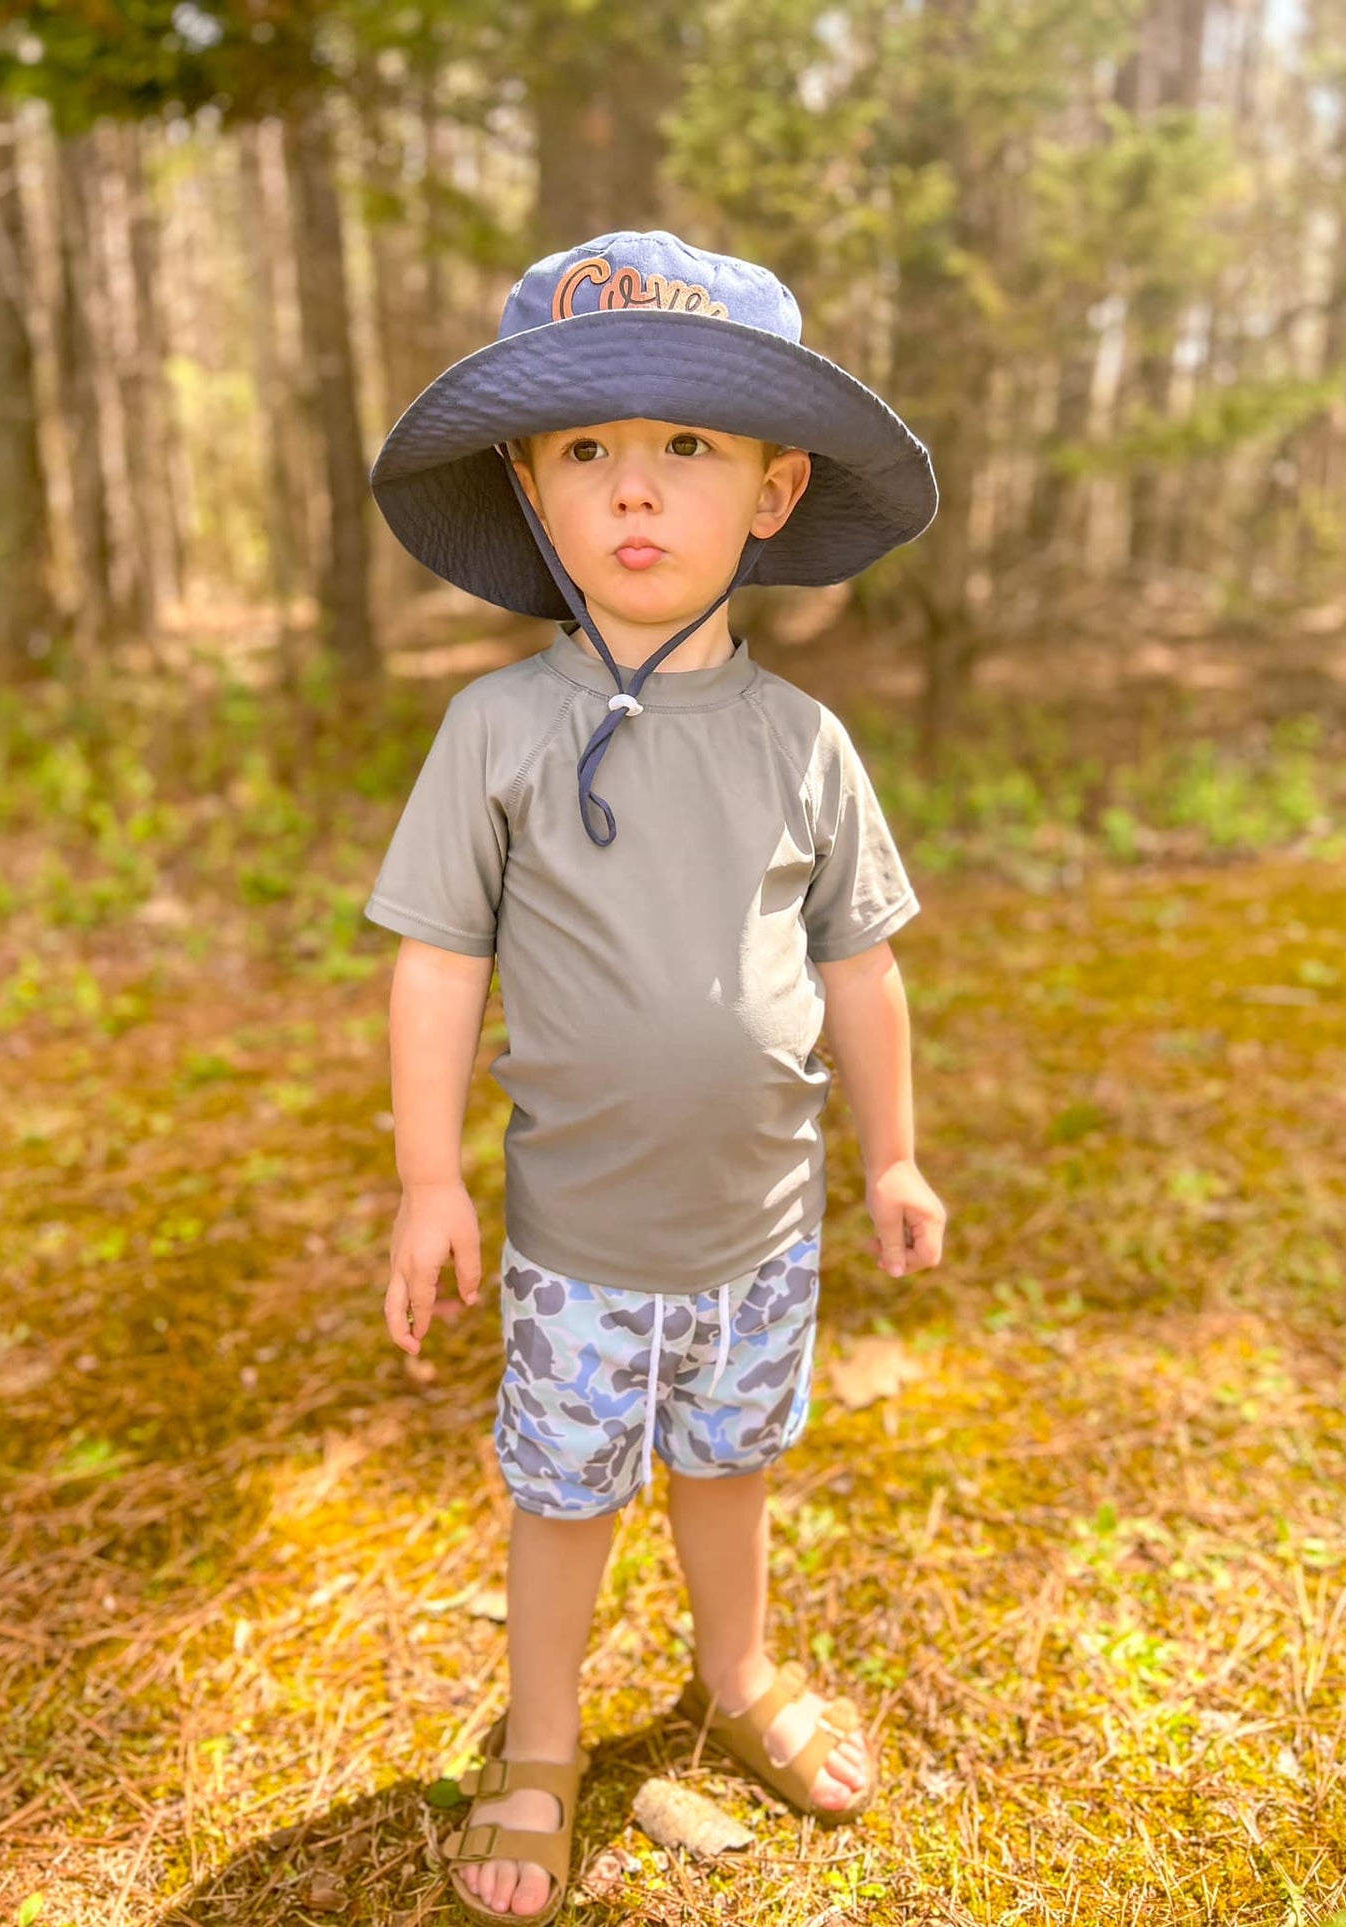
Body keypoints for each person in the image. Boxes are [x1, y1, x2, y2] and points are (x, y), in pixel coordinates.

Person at [363, 229, 948, 1925]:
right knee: (563, 1491)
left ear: (769, 494)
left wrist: (894, 1157)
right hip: (578, 1235)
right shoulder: (497, 732)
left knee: (731, 1463)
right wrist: (424, 1183)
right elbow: (436, 962)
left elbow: (859, 960)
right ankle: (541, 1736)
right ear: (533, 497)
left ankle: (740, 1671)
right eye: (586, 452)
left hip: (762, 1226)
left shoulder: (801, 742)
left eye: (684, 446)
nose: (635, 489)